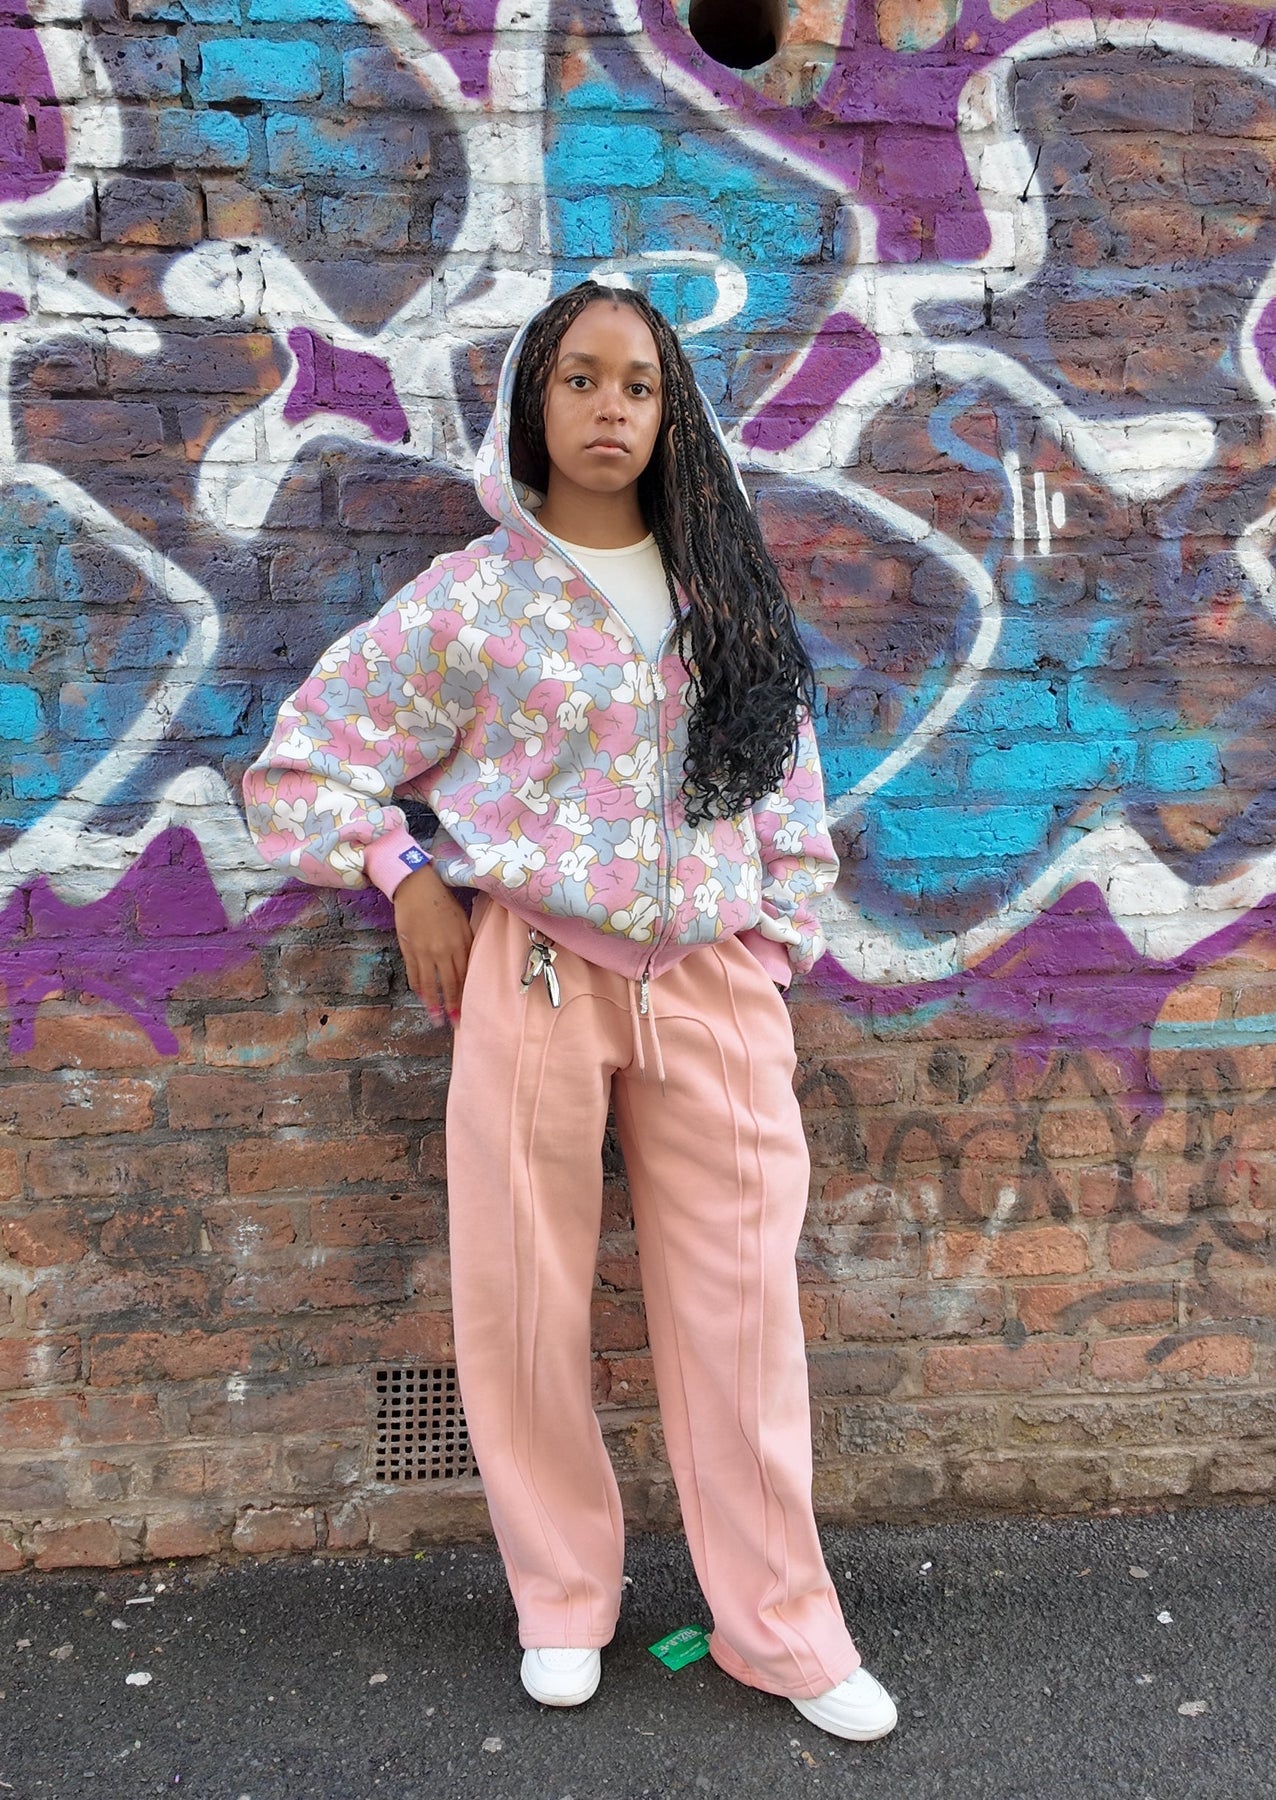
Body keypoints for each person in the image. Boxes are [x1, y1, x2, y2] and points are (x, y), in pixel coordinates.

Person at [242, 280, 898, 1742]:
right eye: (582, 379)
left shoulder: (722, 589)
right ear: (533, 401)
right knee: (522, 1299)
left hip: (713, 982)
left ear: (673, 416)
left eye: (640, 386)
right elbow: (304, 763)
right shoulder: (473, 599)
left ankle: (782, 1628)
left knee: (744, 1314)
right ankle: (561, 1598)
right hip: (534, 972)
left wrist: (774, 944)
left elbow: (790, 783)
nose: (611, 408)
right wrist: (403, 872)